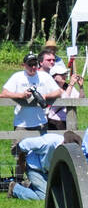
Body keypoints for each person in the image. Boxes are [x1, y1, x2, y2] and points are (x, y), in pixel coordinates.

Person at [1, 51, 62, 180]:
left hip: (40, 123)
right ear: (24, 65)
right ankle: (18, 180)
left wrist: (45, 96)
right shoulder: (17, 77)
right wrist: (21, 95)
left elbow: (58, 91)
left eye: (34, 64)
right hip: (22, 123)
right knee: (19, 154)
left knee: (40, 153)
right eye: (30, 65)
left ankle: (40, 179)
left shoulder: (44, 77)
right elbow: (4, 93)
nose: (33, 67)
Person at [8, 130, 82, 200]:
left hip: (48, 170)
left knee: (57, 194)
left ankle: (28, 187)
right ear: (64, 143)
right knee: (44, 197)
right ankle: (14, 189)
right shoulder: (48, 141)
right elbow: (25, 144)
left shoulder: (66, 150)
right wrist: (21, 161)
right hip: (34, 167)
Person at [45, 65, 84, 133]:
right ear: (54, 77)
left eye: (65, 74)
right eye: (61, 74)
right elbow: (63, 100)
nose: (64, 76)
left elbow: (81, 100)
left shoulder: (67, 86)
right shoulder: (51, 89)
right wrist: (71, 84)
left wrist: (81, 87)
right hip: (55, 122)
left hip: (71, 119)